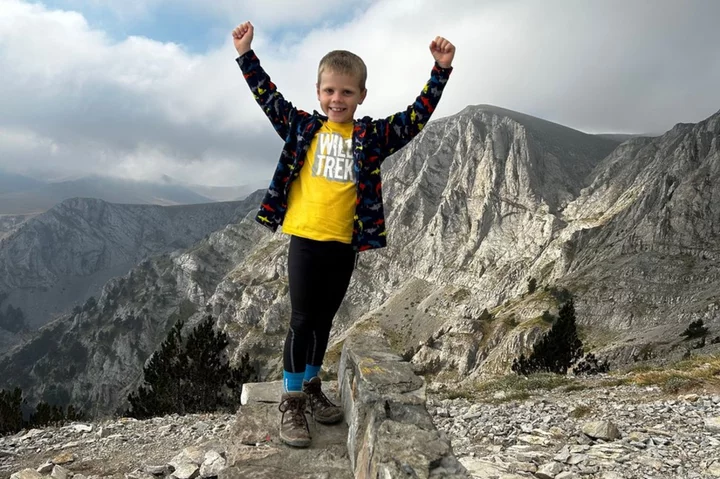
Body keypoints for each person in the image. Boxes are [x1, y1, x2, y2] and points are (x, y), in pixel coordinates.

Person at [232, 20, 455, 448]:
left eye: (347, 92)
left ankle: (312, 386)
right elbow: (267, 96)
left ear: (361, 96)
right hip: (305, 241)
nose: (338, 99)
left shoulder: (371, 138)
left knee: (322, 321)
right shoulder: (301, 128)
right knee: (300, 320)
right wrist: (245, 54)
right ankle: (292, 400)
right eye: (330, 91)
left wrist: (440, 70)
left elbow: (415, 118)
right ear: (319, 93)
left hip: (343, 245)